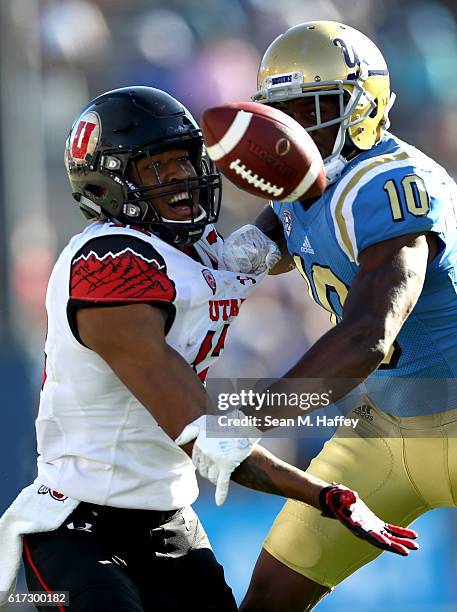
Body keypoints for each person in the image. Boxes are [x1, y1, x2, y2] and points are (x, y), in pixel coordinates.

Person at [0, 86, 417, 612]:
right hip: (78, 529)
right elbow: (207, 439)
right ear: (108, 182)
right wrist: (325, 495)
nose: (180, 177)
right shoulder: (106, 268)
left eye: (184, 160)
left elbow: (267, 240)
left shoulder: (194, 249)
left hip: (170, 523)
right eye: (156, 167)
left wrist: (334, 170)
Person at [212, 21, 457, 612]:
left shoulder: (391, 182)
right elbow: (237, 261)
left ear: (363, 104)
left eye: (313, 108)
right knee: (268, 598)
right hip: (387, 428)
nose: (297, 128)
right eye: (284, 113)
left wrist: (251, 415)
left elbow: (368, 336)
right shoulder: (300, 189)